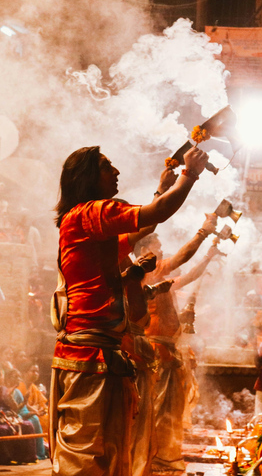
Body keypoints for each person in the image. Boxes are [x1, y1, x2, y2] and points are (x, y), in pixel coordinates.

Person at [51, 145, 208, 475]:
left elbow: (141, 229)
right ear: (88, 179)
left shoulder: (89, 224)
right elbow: (157, 214)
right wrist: (189, 174)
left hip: (102, 352)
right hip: (89, 356)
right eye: (107, 167)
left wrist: (161, 189)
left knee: (108, 452)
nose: (117, 172)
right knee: (86, 458)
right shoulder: (89, 213)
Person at [139, 221, 220, 474]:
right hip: (155, 352)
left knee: (169, 411)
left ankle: (163, 456)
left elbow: (189, 276)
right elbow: (182, 257)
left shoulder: (160, 279)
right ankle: (151, 457)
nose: (162, 252)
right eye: (157, 248)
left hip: (169, 352)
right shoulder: (146, 274)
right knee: (156, 410)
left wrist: (209, 255)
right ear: (143, 251)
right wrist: (204, 232)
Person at [15, 364, 49, 460]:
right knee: (37, 419)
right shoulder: (20, 386)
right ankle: (41, 449)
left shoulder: (33, 387)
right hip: (21, 412)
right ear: (25, 373)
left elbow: (42, 403)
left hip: (34, 411)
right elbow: (23, 404)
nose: (35, 374)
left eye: (37, 371)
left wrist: (42, 410)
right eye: (32, 371)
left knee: (49, 417)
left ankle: (47, 447)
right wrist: (36, 411)